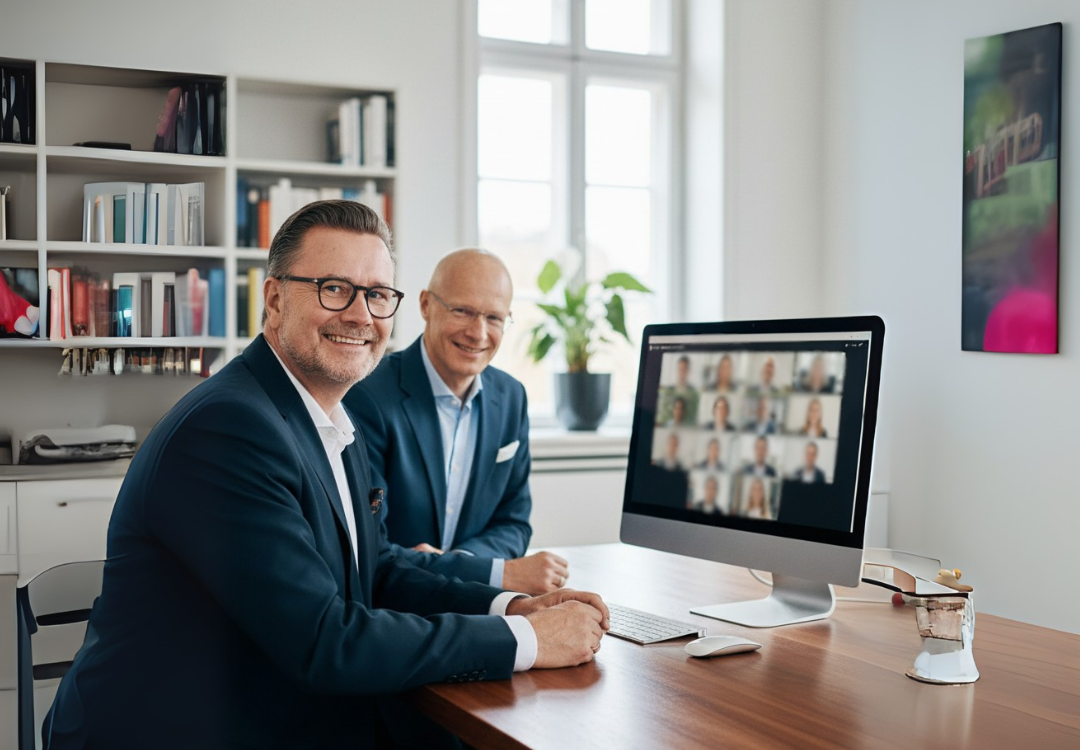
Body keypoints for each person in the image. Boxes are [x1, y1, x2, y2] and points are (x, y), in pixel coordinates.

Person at [43, 201, 609, 750]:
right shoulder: (229, 427)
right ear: (274, 299)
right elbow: (324, 640)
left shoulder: (327, 414)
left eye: (377, 295)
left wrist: (508, 606)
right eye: (334, 289)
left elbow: (376, 569)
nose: (361, 315)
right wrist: (529, 640)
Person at [345, 249, 567, 596]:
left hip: (476, 605)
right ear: (425, 306)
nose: (478, 333)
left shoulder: (511, 397)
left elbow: (513, 521)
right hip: (394, 609)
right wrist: (498, 574)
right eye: (462, 311)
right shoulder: (367, 395)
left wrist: (463, 563)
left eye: (494, 318)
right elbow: (372, 548)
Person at [657, 355, 700, 425]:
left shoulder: (693, 393)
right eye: (680, 369)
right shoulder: (668, 391)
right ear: (677, 370)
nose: (682, 373)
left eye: (684, 369)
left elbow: (693, 417)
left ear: (688, 371)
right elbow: (663, 415)